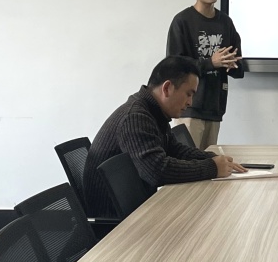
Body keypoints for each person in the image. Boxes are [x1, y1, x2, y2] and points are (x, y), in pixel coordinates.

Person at [82, 56, 247, 219]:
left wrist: (213, 159)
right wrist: (212, 167)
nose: (190, 102)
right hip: (115, 223)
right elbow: (156, 171)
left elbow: (175, 150)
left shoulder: (152, 112)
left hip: (136, 210)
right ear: (167, 88)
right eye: (188, 94)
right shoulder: (135, 117)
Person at [167, 0, 244, 149]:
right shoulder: (182, 21)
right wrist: (211, 62)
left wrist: (232, 65)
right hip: (189, 108)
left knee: (208, 162)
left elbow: (238, 65)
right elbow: (174, 66)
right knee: (187, 161)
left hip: (215, 107)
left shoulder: (225, 22)